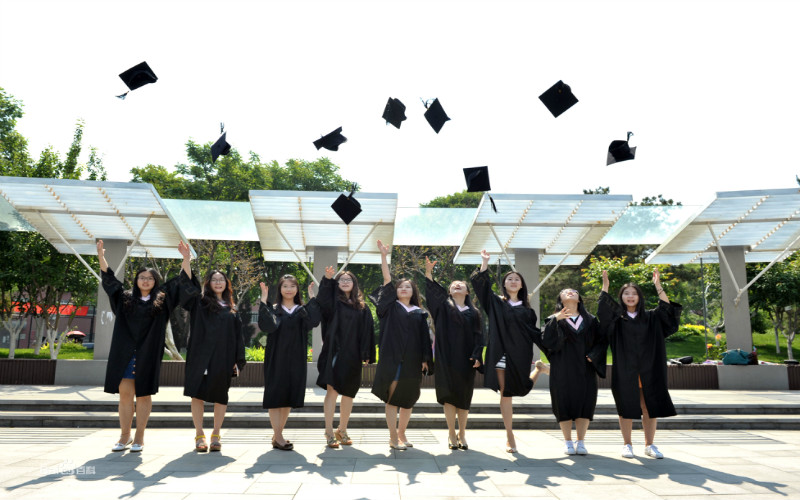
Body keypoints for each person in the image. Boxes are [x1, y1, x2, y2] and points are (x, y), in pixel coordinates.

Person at [98, 239, 194, 453]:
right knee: (125, 393)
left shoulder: (163, 300)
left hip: (148, 353)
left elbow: (182, 281)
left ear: (155, 281)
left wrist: (186, 259)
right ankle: (124, 435)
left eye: (150, 278)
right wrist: (101, 258)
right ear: (136, 280)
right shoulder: (124, 299)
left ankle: (140, 435)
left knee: (143, 394)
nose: (145, 280)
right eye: (142, 277)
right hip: (125, 352)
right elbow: (110, 282)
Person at [598, 269, 682, 459]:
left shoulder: (651, 317)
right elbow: (603, 313)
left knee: (649, 406)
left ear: (639, 297)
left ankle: (649, 445)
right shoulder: (617, 320)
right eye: (626, 293)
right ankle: (627, 444)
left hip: (650, 368)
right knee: (626, 406)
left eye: (634, 293)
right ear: (621, 297)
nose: (630, 296)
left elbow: (667, 310)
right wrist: (605, 287)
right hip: (626, 368)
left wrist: (658, 285)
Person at [471, 249, 542, 453]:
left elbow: (535, 334)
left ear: (521, 285)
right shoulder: (496, 303)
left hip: (519, 354)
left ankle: (537, 369)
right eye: (509, 278)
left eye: (516, 279)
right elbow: (482, 289)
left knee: (522, 388)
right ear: (504, 284)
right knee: (506, 392)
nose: (513, 281)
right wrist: (485, 263)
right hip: (500, 353)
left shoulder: (528, 311)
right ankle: (510, 435)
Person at [371, 240, 433, 450]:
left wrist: (425, 359)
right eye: (401, 287)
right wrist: (383, 256)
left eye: (408, 286)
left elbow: (425, 337)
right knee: (393, 396)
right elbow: (387, 279)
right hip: (393, 357)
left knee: (409, 398)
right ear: (395, 292)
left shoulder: (419, 312)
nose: (404, 288)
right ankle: (392, 437)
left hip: (413, 360)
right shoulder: (390, 307)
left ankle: (402, 434)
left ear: (413, 291)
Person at [183, 269, 246, 452]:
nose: (218, 283)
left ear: (226, 284)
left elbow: (238, 337)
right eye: (214, 280)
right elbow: (188, 286)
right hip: (201, 357)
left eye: (221, 280)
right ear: (208, 283)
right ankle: (199, 434)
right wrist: (186, 261)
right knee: (197, 394)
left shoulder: (231, 308)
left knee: (221, 395)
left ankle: (216, 434)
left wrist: (238, 361)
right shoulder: (200, 303)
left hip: (223, 358)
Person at [424, 257, 483, 450]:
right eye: (453, 285)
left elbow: (479, 336)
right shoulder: (442, 308)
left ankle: (462, 433)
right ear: (449, 291)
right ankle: (451, 433)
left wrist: (477, 354)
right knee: (448, 395)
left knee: (464, 396)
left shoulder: (474, 313)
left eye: (461, 284)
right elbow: (433, 295)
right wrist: (428, 273)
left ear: (467, 291)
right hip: (446, 358)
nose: (457, 285)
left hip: (466, 359)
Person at [540, 288, 607, 456]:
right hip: (562, 368)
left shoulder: (590, 320)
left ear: (579, 299)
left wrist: (594, 355)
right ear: (560, 299)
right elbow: (546, 342)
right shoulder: (552, 319)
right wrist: (556, 319)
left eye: (574, 291)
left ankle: (581, 441)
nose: (570, 292)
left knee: (585, 402)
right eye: (565, 291)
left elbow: (602, 341)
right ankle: (568, 441)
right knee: (563, 402)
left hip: (585, 368)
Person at [259, 275, 321, 451]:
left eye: (292, 286)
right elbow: (266, 326)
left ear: (297, 289)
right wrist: (264, 300)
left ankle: (278, 434)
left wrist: (312, 299)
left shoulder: (301, 310)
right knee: (275, 396)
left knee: (288, 397)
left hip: (296, 358)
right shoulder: (274, 309)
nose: (288, 289)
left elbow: (313, 322)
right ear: (279, 289)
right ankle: (278, 436)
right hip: (276, 358)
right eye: (285, 286)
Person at [316, 266, 375, 448]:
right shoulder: (333, 302)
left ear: (354, 284)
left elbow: (368, 332)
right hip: (335, 352)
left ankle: (342, 429)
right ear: (337, 284)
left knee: (349, 393)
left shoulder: (362, 307)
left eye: (349, 279)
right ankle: (328, 431)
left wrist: (367, 353)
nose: (345, 282)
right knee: (332, 391)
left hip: (353, 354)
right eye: (341, 279)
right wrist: (327, 279)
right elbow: (322, 301)